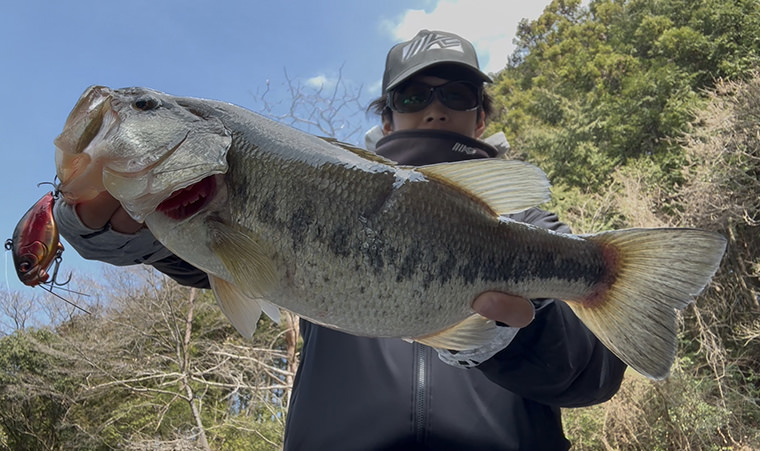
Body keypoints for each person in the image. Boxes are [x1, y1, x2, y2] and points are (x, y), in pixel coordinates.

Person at [54, 29, 626, 450]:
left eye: (455, 94)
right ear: (386, 117)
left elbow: (594, 375)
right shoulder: (271, 185)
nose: (433, 109)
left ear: (480, 118)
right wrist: (95, 222)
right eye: (411, 97)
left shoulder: (532, 225)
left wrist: (509, 335)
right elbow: (164, 253)